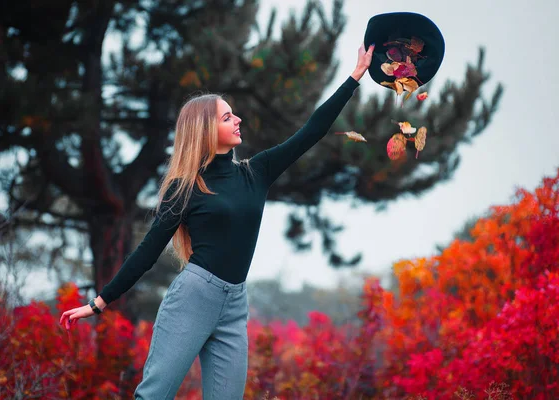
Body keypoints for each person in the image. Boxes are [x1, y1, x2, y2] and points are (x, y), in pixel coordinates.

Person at [59, 42, 374, 400]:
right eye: (227, 117)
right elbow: (147, 252)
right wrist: (98, 302)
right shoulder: (185, 188)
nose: (237, 119)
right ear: (205, 131)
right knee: (154, 395)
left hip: (235, 302)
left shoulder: (257, 172)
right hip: (194, 297)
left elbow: (311, 131)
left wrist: (355, 77)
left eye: (233, 114)